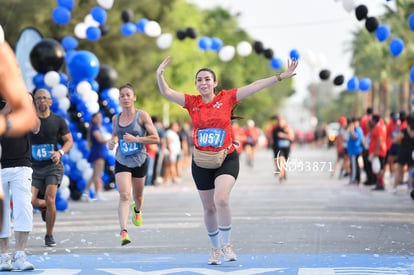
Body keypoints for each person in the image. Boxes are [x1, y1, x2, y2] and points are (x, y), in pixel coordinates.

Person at [156, 56, 298, 265]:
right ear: (196, 84)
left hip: (226, 158)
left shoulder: (227, 98)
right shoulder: (191, 102)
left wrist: (280, 77)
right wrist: (160, 75)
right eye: (199, 80)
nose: (203, 83)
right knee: (209, 208)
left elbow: (255, 86)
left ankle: (227, 245)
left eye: (207, 79)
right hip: (202, 161)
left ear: (214, 83)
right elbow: (166, 92)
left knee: (221, 199)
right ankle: (215, 249)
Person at [107, 83, 160, 246]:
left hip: (139, 159)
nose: (125, 98)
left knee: (138, 196)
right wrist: (113, 141)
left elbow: (156, 138)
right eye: (122, 95)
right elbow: (116, 135)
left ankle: (137, 210)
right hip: (122, 159)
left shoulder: (142, 116)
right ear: (119, 99)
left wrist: (137, 139)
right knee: (124, 195)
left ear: (134, 97)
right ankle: (124, 231)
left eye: (128, 95)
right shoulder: (116, 118)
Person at [30, 88, 73, 247]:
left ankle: (49, 235)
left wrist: (60, 152)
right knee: (30, 200)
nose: (41, 101)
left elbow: (69, 141)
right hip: (34, 167)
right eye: (38, 98)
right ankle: (44, 207)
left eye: (44, 98)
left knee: (51, 199)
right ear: (34, 102)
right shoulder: (29, 121)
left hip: (52, 166)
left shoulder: (58, 121)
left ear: (50, 101)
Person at [0, 101, 40, 271]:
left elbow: (36, 127)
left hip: (22, 165)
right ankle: (4, 256)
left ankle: (20, 255)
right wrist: (9, 106)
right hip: (1, 166)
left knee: (23, 208)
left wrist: (28, 106)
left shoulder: (21, 100)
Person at [83, 112, 111, 201]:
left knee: (95, 174)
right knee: (97, 174)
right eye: (97, 117)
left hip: (100, 151)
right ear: (93, 119)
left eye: (100, 117)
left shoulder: (98, 127)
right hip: (98, 152)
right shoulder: (94, 128)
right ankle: (97, 193)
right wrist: (110, 139)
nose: (99, 119)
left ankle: (85, 193)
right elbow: (100, 140)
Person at [391, 112, 414, 193]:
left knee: (399, 169)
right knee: (411, 169)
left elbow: (395, 140)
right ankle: (410, 187)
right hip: (412, 153)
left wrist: (399, 142)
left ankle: (394, 187)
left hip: (403, 151)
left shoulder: (404, 131)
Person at [271, 115, 294, 182]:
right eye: (279, 121)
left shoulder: (288, 128)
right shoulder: (275, 128)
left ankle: (283, 172)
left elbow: (292, 137)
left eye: (281, 122)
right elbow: (272, 138)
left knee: (284, 161)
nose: (280, 123)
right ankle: (281, 174)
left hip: (286, 148)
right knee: (280, 159)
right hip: (277, 147)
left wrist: (283, 135)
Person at [347, 117, 363, 185]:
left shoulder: (357, 129)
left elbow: (355, 137)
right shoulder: (356, 129)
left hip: (355, 150)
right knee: (354, 165)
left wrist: (352, 129)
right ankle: (355, 179)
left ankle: (354, 179)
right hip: (352, 150)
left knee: (354, 166)